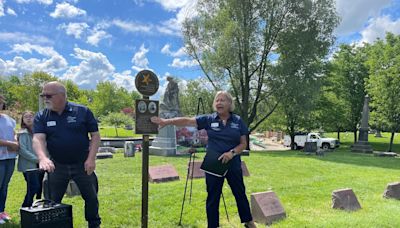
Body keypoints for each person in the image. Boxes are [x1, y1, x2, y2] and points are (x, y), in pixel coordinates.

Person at [151, 91, 256, 228]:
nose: (219, 102)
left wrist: (232, 153)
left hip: (233, 163)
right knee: (213, 197)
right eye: (217, 100)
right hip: (213, 163)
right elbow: (187, 120)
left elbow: (243, 144)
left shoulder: (238, 121)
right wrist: (166, 121)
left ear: (230, 104)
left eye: (222, 100)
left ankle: (248, 221)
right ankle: (213, 225)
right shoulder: (209, 119)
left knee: (239, 193)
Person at [32, 81, 101, 228]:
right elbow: (38, 138)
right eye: (43, 95)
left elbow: (95, 135)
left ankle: (94, 224)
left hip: (82, 164)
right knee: (51, 201)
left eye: (48, 95)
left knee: (91, 198)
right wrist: (43, 158)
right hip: (57, 166)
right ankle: (54, 225)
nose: (45, 98)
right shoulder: (42, 116)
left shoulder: (82, 111)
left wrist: (91, 159)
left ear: (62, 95)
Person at [17, 111, 44, 207]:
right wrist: (38, 159)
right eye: (26, 117)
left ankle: (32, 207)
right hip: (28, 165)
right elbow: (22, 150)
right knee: (34, 187)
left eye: (31, 116)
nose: (28, 118)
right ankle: (25, 207)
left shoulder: (38, 132)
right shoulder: (23, 133)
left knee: (38, 187)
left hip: (40, 164)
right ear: (23, 120)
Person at [0, 93, 19, 224]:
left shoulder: (8, 118)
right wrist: (10, 144)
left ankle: (1, 211)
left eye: (0, 102)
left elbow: (14, 132)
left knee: (4, 186)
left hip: (10, 157)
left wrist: (16, 141)